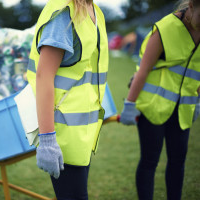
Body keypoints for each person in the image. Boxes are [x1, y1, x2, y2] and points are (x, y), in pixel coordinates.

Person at [26, 0, 109, 199]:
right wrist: (47, 140)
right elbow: (43, 76)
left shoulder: (94, 10)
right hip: (61, 131)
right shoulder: (63, 13)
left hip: (81, 130)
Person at [120, 0, 200, 199]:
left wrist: (198, 101)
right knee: (149, 162)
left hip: (182, 109)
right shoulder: (166, 28)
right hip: (153, 107)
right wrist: (129, 104)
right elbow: (144, 69)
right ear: (191, 6)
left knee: (178, 161)